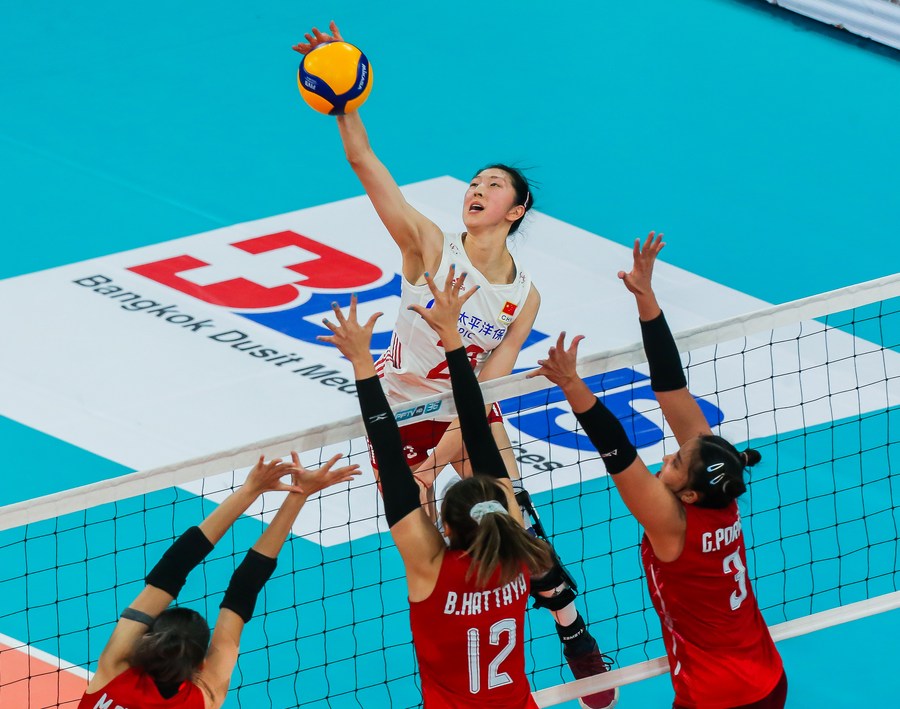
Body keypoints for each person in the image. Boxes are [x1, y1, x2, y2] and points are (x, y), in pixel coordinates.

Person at [294, 25, 617, 708]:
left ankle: (573, 631)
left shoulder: (524, 295)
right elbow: (366, 165)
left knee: (518, 523)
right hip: (399, 411)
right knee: (429, 558)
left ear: (516, 209)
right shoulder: (428, 244)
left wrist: (451, 442)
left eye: (493, 185)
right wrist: (344, 103)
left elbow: (491, 378)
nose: (476, 189)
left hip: (464, 414)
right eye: (473, 182)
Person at [529, 233, 787, 708]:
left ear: (688, 495)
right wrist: (646, 298)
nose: (666, 458)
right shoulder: (715, 485)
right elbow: (671, 388)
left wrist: (571, 384)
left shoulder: (672, 523)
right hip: (767, 679)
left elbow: (617, 452)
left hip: (716, 698)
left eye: (673, 464)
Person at [319, 273, 554, 707]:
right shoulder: (515, 554)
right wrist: (364, 365)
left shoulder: (447, 568)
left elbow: (458, 436)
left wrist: (444, 337)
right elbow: (467, 430)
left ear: (446, 526)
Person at [78, 453, 360, 709]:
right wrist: (298, 494)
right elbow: (240, 591)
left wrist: (250, 490)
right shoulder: (201, 698)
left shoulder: (115, 669)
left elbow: (175, 572)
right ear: (201, 664)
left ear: (145, 640)